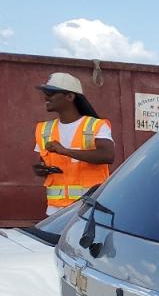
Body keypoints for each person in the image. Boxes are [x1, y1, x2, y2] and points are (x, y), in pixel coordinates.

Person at [32, 72, 115, 215]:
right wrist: (41, 169)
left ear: (70, 97)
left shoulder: (96, 125)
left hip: (89, 209)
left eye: (51, 93)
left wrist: (66, 151)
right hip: (55, 213)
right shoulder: (43, 129)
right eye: (45, 92)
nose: (46, 96)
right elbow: (44, 160)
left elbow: (107, 155)